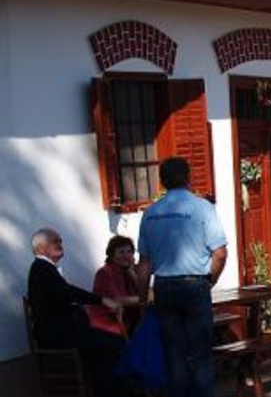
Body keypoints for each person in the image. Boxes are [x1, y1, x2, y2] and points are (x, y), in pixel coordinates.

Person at [137, 157, 228, 397]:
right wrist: (211, 280)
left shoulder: (150, 214)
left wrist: (142, 297)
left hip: (164, 288)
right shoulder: (202, 208)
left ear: (162, 181)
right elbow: (219, 253)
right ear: (189, 177)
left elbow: (144, 263)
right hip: (194, 285)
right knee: (201, 355)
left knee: (174, 354)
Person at [27, 228, 124, 396]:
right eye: (54, 241)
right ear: (41, 248)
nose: (60, 244)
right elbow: (67, 292)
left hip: (63, 331)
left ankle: (105, 389)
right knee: (111, 344)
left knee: (108, 341)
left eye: (60, 240)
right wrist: (102, 300)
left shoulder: (45, 268)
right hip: (56, 335)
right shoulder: (42, 268)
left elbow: (61, 296)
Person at [87, 235, 143, 337]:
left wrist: (133, 275)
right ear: (112, 255)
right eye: (121, 252)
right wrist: (144, 299)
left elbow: (144, 290)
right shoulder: (105, 273)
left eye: (129, 252)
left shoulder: (131, 271)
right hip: (108, 328)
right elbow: (117, 300)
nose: (126, 256)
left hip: (130, 325)